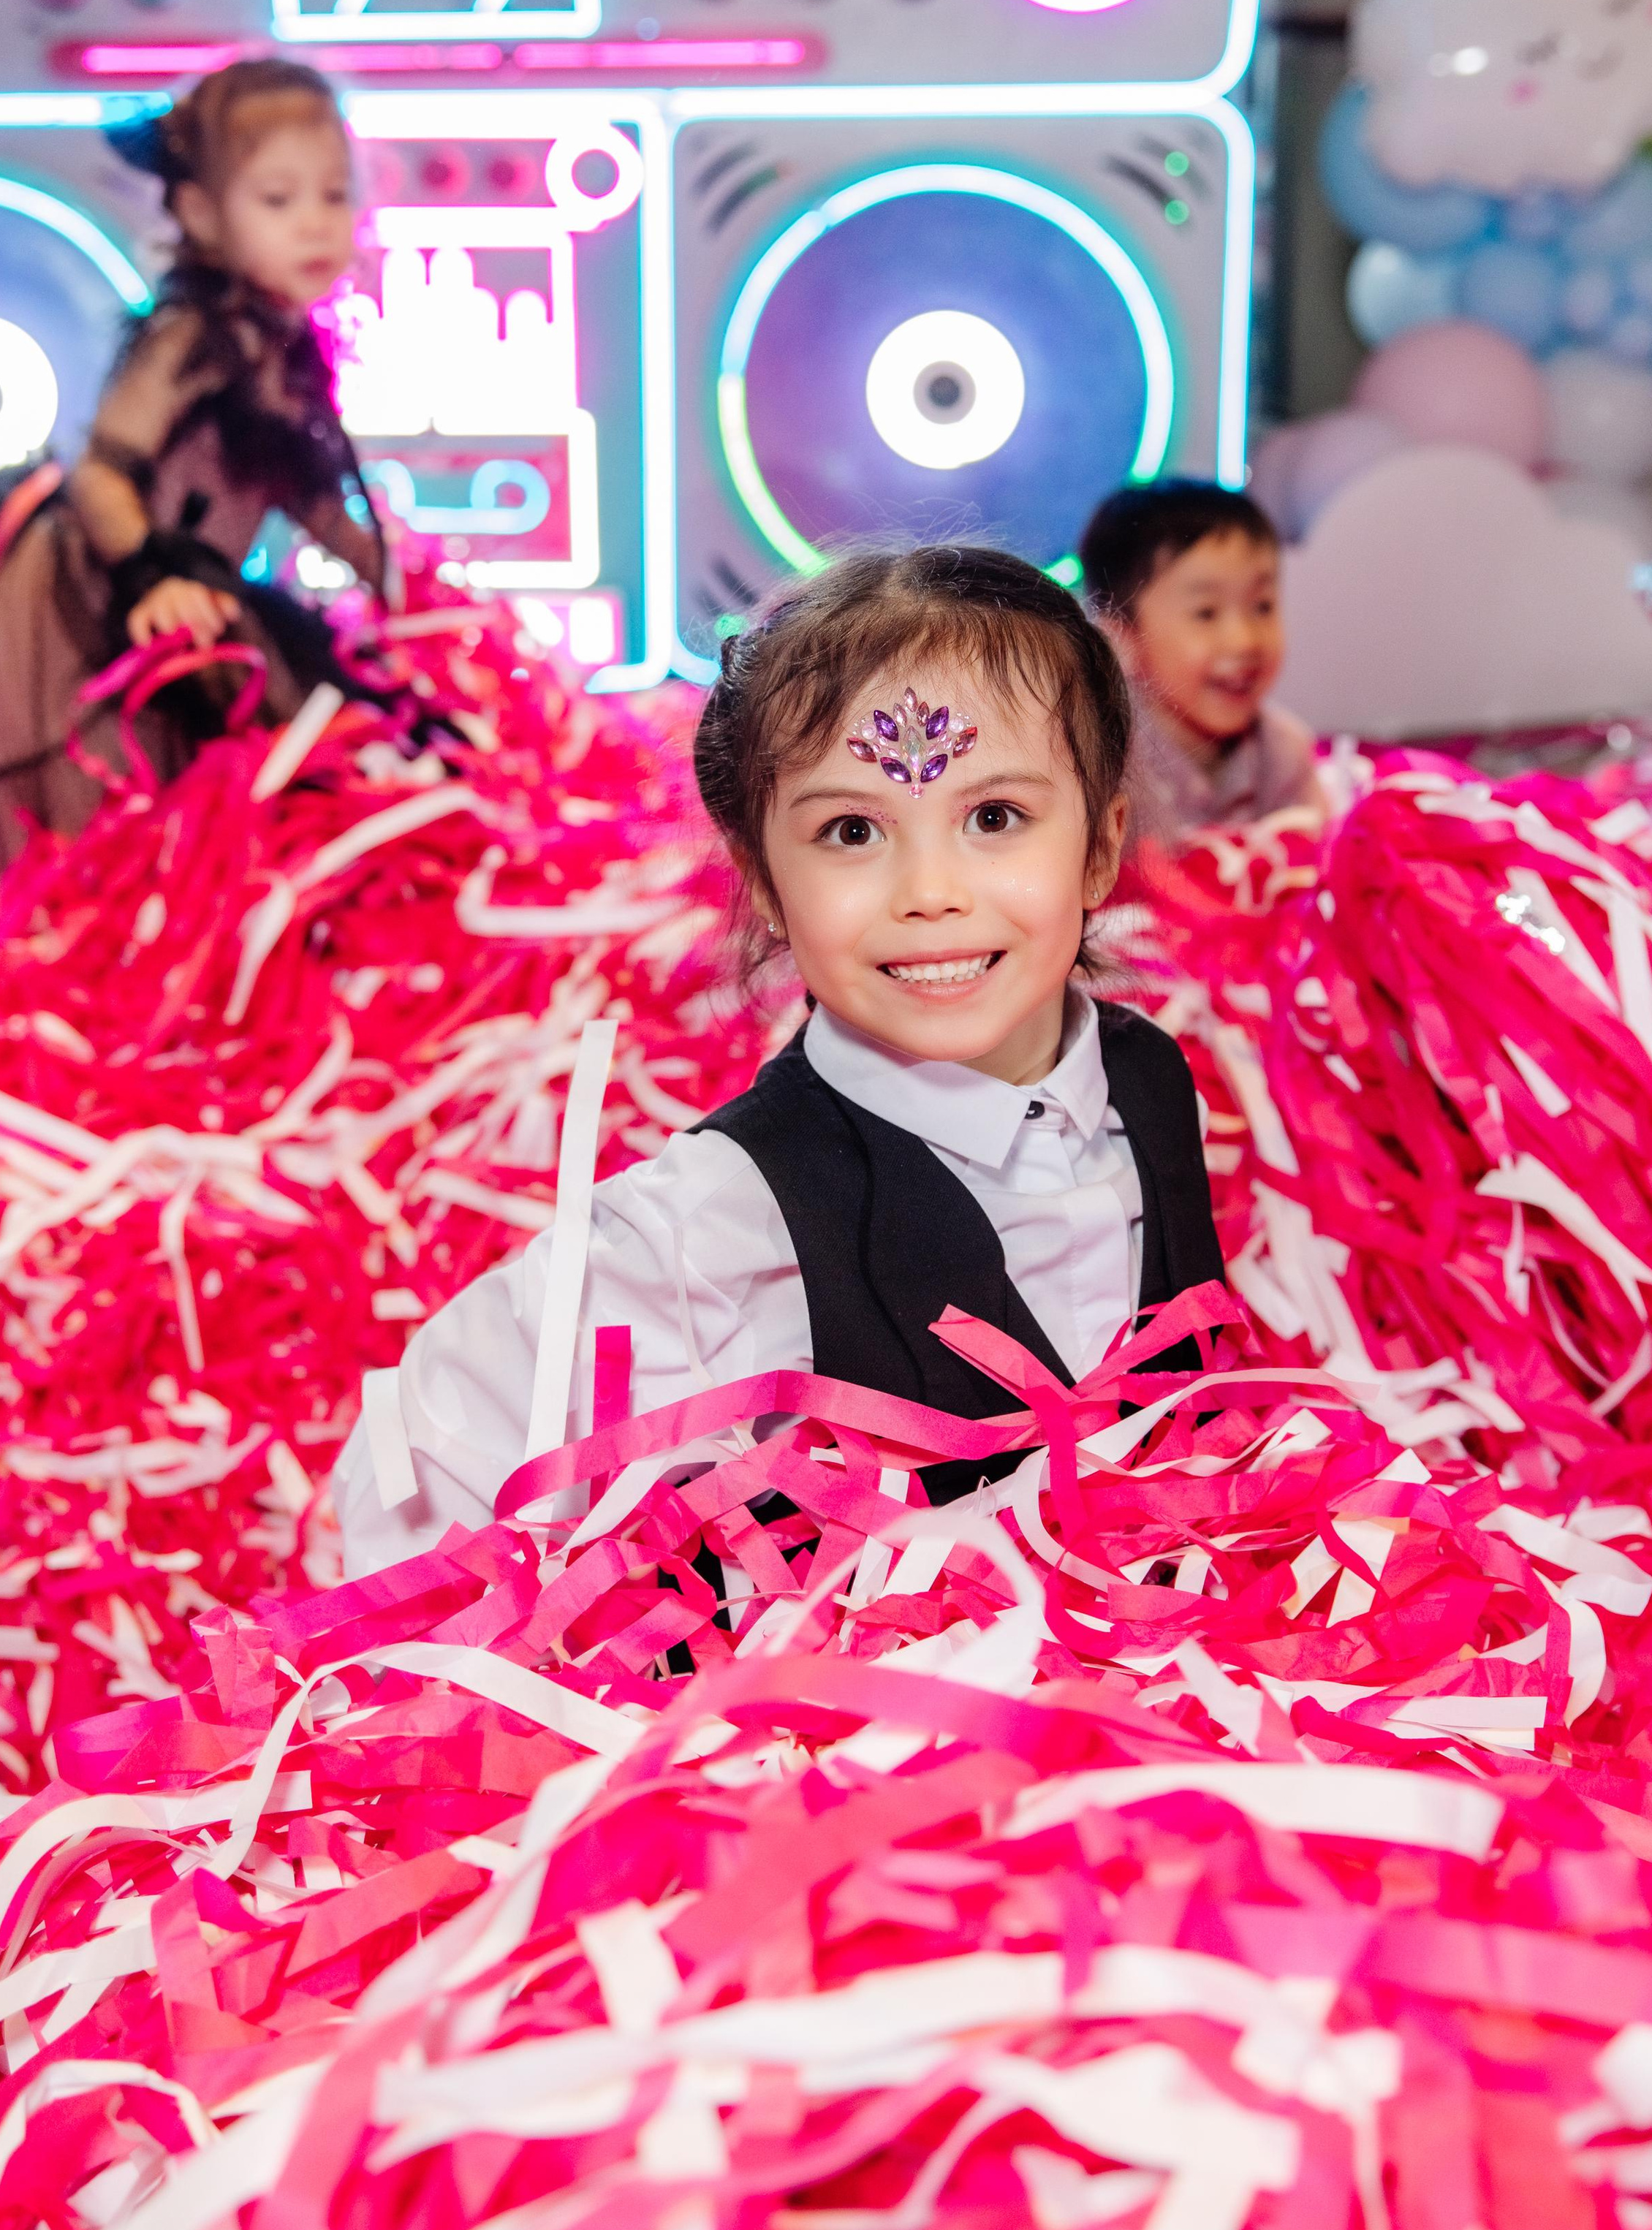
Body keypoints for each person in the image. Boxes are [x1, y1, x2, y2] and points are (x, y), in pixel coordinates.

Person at [335, 542, 1224, 1577]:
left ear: (1101, 847)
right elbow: (411, 1474)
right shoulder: (715, 1225)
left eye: (995, 818)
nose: (930, 893)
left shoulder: (1151, 1086)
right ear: (763, 880)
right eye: (851, 831)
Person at [0, 59, 389, 889]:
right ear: (202, 215)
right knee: (129, 775)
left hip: (199, 588)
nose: (316, 226)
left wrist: (395, 576)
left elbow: (306, 494)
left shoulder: (278, 346)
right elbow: (101, 476)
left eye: (334, 196)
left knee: (300, 723)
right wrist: (152, 571)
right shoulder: (188, 336)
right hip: (106, 582)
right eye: (278, 200)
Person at [1078, 478, 1325, 849]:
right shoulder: (1107, 765)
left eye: (1262, 607)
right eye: (1206, 613)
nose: (1244, 640)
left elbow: (1318, 858)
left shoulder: (1282, 751)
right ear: (1121, 639)